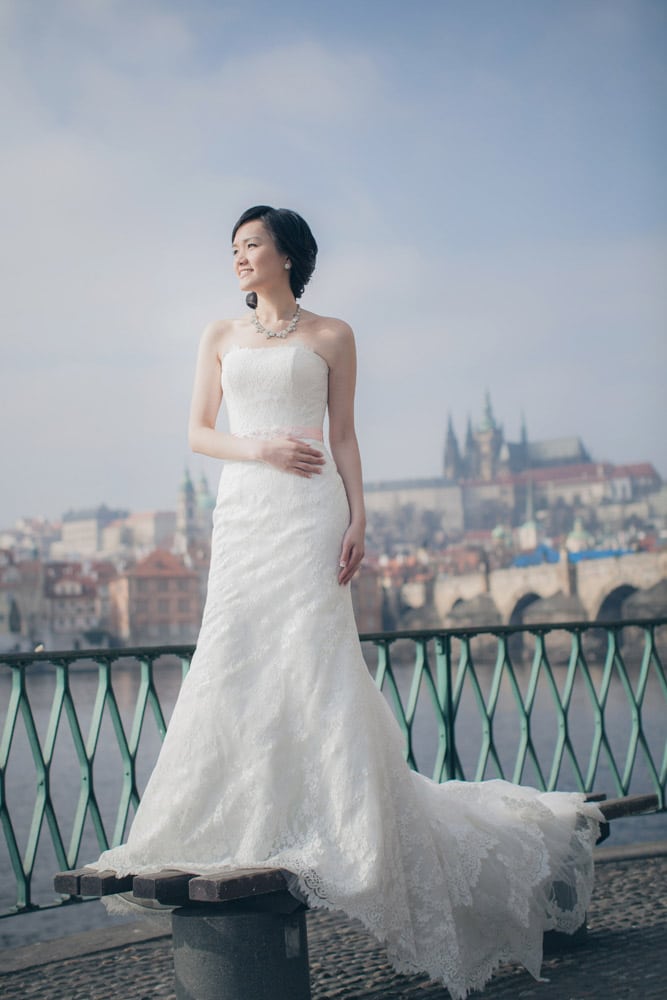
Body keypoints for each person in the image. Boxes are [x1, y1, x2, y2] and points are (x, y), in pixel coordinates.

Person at [90, 205, 603, 998]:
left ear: (287, 253)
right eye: (231, 247)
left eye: (251, 243)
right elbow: (196, 432)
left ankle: (335, 815)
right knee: (235, 650)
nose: (238, 256)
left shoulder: (333, 335)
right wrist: (256, 447)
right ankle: (239, 811)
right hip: (246, 510)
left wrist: (360, 513)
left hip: (309, 511)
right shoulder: (218, 335)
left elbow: (345, 433)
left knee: (312, 653)